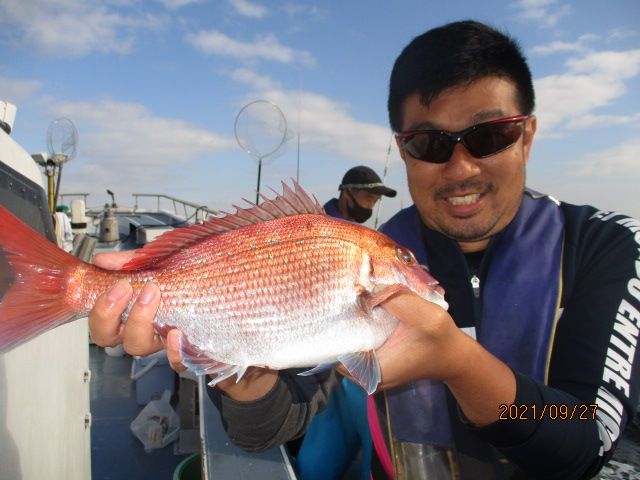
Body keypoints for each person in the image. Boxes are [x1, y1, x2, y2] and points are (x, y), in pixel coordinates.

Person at [88, 20, 640, 479]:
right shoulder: (375, 249)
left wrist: (459, 363)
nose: (461, 167)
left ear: (528, 135)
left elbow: (584, 435)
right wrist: (238, 364)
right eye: (429, 143)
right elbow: (267, 428)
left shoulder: (604, 245)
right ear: (402, 148)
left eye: (490, 135)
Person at [293, 166, 396, 480]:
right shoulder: (327, 232)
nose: (371, 204)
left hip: (339, 363)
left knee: (321, 458)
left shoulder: (357, 238)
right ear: (346, 192)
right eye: (367, 196)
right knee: (350, 449)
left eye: (375, 200)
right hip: (327, 372)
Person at [323, 165, 397, 223]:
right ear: (347, 192)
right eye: (369, 199)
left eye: (375, 201)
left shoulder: (356, 229)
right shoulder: (321, 222)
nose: (370, 206)